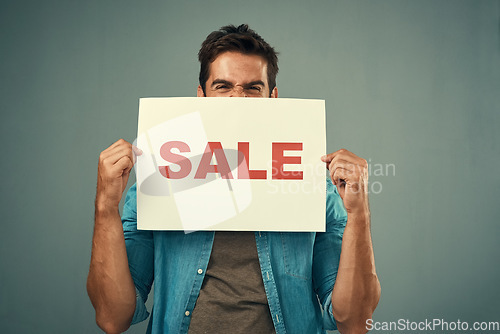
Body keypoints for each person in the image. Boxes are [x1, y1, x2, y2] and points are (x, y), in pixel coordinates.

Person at [87, 24, 380, 334]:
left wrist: (358, 215)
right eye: (223, 86)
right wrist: (106, 207)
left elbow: (355, 321)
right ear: (200, 97)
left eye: (253, 87)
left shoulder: (312, 191)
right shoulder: (159, 184)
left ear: (273, 98)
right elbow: (112, 318)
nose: (238, 99)